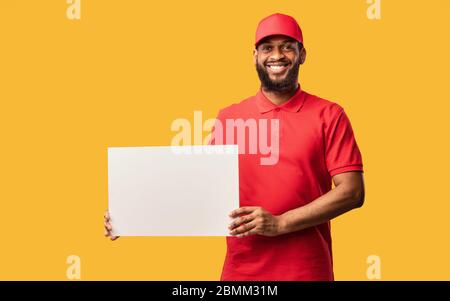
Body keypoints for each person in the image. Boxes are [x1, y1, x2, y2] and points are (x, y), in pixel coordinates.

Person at [105, 13, 365, 281]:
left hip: (306, 271)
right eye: (267, 47)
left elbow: (352, 192)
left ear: (302, 54)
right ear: (255, 55)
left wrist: (280, 223)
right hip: (241, 274)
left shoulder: (330, 114)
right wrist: (134, 214)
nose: (277, 55)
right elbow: (201, 190)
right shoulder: (229, 117)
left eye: (287, 46)